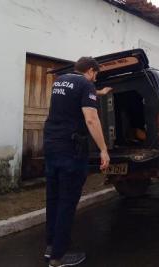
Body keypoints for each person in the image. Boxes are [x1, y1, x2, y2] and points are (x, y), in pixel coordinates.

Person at [43, 56, 111, 267]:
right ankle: (59, 256)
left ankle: (51, 246)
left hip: (52, 146)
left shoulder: (60, 81)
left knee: (53, 198)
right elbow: (91, 118)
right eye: (95, 75)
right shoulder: (86, 84)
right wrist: (103, 149)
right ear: (91, 71)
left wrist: (98, 93)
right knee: (67, 201)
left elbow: (74, 97)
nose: (95, 79)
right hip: (71, 150)